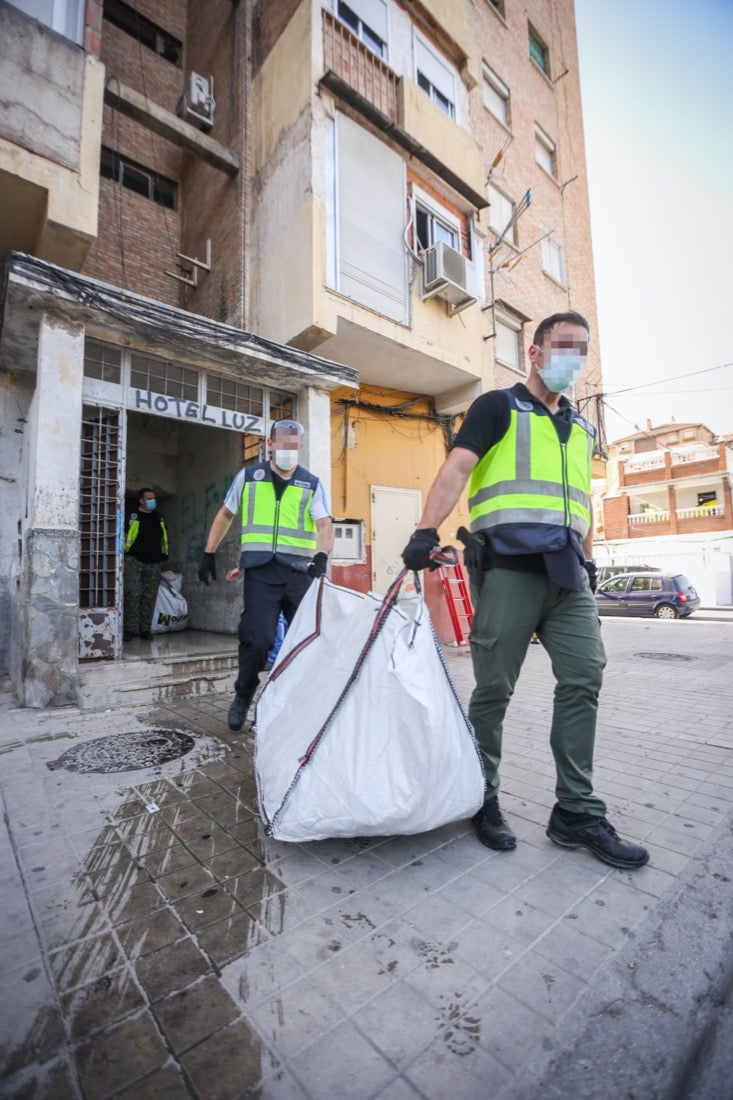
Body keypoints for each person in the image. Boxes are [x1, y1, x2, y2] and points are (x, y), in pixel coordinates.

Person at [402, 311, 649, 870]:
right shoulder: (497, 406)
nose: (572, 358)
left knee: (585, 676)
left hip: (567, 578)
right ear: (533, 352)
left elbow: (581, 503)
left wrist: (588, 562)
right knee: (494, 692)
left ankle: (576, 813)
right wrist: (424, 529)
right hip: (509, 571)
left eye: (581, 349)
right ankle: (481, 795)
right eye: (561, 346)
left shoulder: (582, 428)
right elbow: (457, 468)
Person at [198, 419, 333, 731]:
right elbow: (226, 513)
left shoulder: (311, 483)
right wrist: (208, 552)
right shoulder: (248, 477)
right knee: (257, 640)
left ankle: (291, 702)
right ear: (270, 445)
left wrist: (322, 556)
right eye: (281, 443)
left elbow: (325, 523)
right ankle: (243, 694)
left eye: (293, 443)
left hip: (300, 573)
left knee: (305, 642)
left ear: (298, 447)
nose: (287, 449)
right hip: (261, 573)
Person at [123, 486, 169, 642]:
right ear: (141, 500)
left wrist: (164, 555)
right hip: (134, 560)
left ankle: (145, 629)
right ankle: (129, 629)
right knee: (132, 594)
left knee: (148, 597)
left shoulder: (159, 517)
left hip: (154, 562)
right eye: (149, 499)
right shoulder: (132, 515)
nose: (152, 501)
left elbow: (164, 538)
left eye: (153, 498)